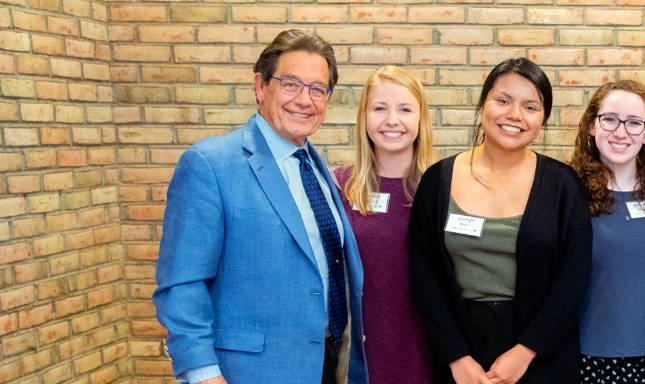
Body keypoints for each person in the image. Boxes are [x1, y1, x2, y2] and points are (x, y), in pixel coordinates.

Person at [152, 29, 368, 384]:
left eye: (318, 89)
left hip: (327, 367)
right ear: (260, 86)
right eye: (291, 84)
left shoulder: (317, 169)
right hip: (249, 373)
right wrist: (203, 374)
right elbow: (181, 285)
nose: (304, 99)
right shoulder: (210, 164)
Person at [407, 58, 591, 384]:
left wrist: (526, 350)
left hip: (542, 357)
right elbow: (425, 274)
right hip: (461, 356)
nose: (514, 115)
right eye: (503, 100)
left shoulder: (562, 184)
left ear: (543, 118)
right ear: (483, 103)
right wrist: (456, 356)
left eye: (530, 106)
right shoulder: (438, 180)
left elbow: (574, 277)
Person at [569, 80, 645, 383]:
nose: (621, 132)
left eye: (634, 123)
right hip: (590, 360)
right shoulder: (568, 195)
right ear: (592, 126)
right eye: (609, 119)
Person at [334, 65, 436, 384]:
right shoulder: (338, 186)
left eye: (405, 109)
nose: (392, 120)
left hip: (427, 352)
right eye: (380, 108)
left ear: (421, 118)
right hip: (361, 355)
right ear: (364, 116)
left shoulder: (443, 185)